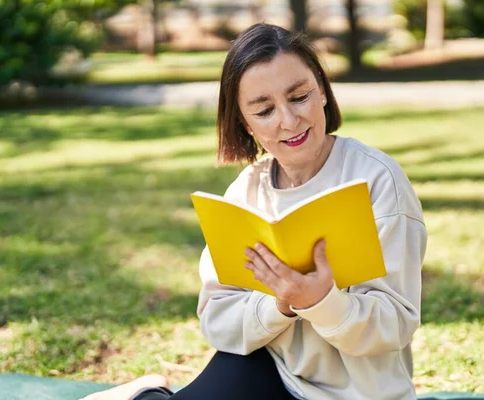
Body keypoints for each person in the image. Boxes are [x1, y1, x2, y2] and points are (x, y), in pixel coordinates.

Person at [82, 22, 427, 400]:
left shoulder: (376, 180)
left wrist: (319, 301)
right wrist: (280, 305)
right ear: (245, 123)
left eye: (299, 97)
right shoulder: (246, 190)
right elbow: (218, 319)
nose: (288, 120)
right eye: (264, 110)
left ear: (323, 92)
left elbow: (394, 325)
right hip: (270, 371)